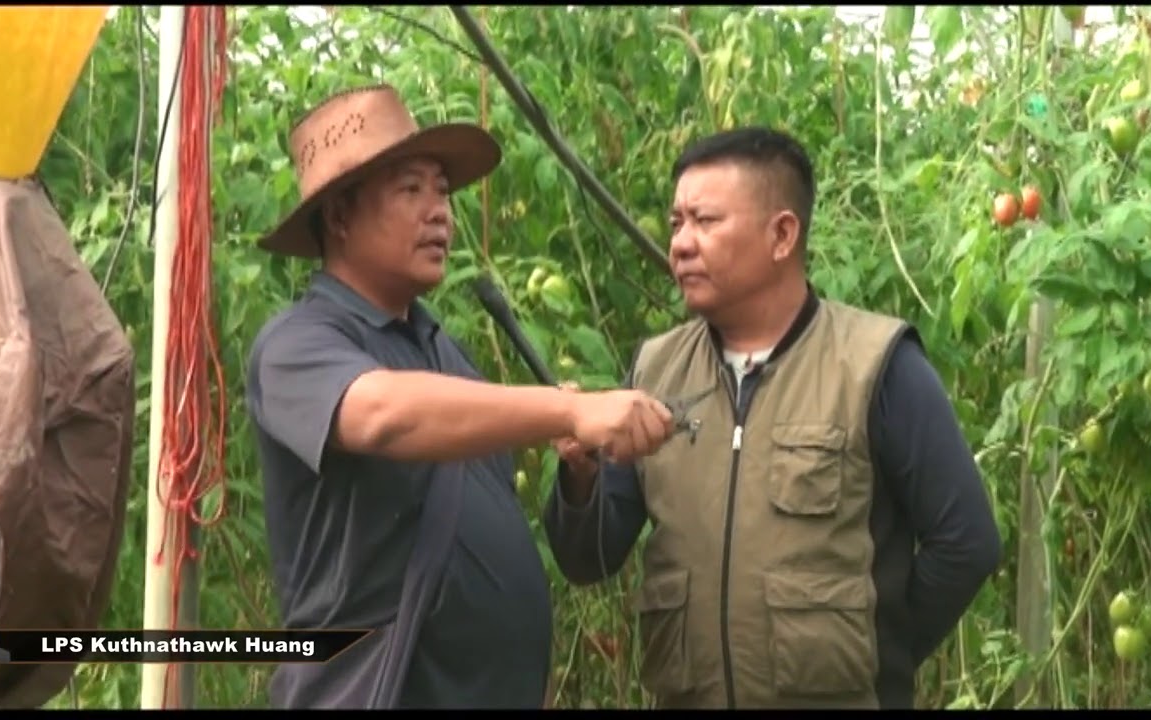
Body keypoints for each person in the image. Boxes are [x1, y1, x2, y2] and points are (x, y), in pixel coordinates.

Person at [244, 84, 675, 710]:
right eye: (410, 189)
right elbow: (384, 417)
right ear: (340, 215)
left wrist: (576, 471)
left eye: (442, 190)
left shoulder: (443, 354)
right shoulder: (296, 344)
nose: (439, 211)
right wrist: (569, 407)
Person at [543, 127, 1002, 709]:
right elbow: (590, 559)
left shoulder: (874, 365)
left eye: (706, 221)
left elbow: (967, 543)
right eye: (677, 221)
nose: (681, 243)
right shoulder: (656, 370)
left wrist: (879, 653)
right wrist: (580, 476)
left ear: (783, 234)